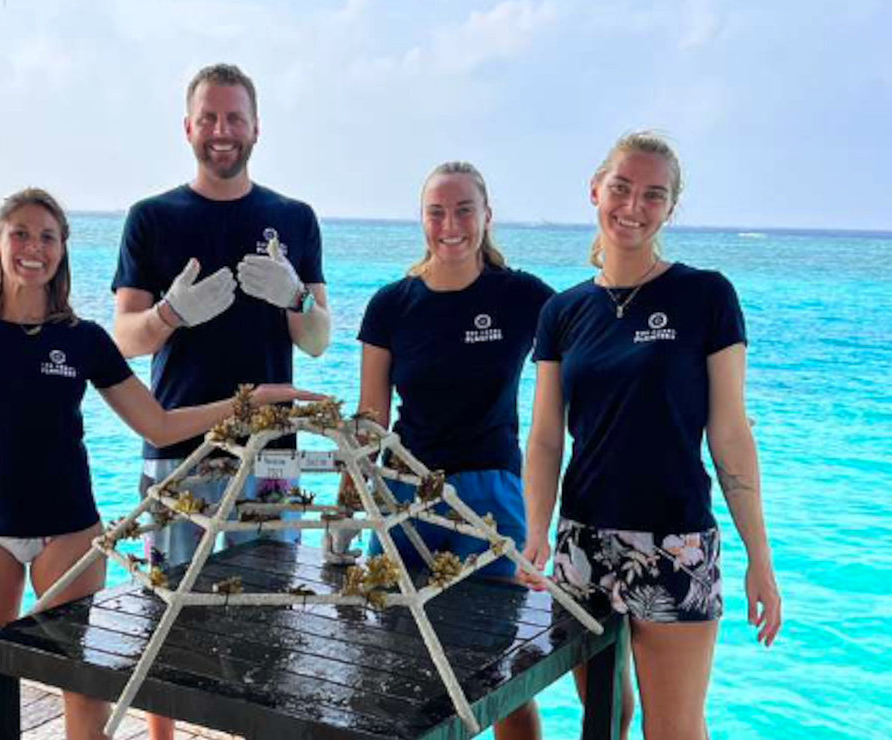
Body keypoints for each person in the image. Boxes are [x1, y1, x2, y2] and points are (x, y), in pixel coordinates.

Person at [0, 187, 318, 740]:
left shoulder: (83, 340)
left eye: (47, 236)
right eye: (20, 233)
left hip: (71, 530)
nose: (34, 247)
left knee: (84, 681)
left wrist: (256, 399)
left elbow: (159, 425)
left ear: (62, 250)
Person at [520, 131, 783, 740]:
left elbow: (731, 433)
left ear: (670, 207)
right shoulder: (562, 312)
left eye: (653, 195)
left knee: (673, 730)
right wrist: (538, 532)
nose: (633, 206)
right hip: (583, 544)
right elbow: (544, 439)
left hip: (677, 544)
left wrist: (759, 558)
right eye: (621, 188)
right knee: (606, 718)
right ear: (596, 190)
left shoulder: (705, 295)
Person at [110, 63, 330, 739]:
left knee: (266, 618)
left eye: (235, 118)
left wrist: (296, 297)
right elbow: (125, 339)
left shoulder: (293, 218)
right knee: (167, 616)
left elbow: (318, 340)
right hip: (177, 451)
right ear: (188, 127)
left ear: (256, 127)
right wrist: (170, 314)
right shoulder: (151, 218)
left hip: (271, 459)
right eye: (209, 118)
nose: (222, 132)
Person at [354, 161, 553, 739]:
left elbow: (586, 360)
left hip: (492, 495)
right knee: (399, 655)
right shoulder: (391, 304)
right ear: (422, 220)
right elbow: (372, 418)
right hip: (404, 495)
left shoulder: (522, 296)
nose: (451, 224)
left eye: (464, 209)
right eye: (437, 211)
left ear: (487, 216)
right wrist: (355, 498)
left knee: (502, 667)